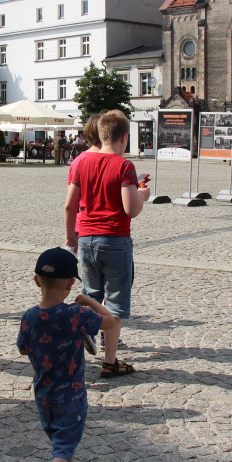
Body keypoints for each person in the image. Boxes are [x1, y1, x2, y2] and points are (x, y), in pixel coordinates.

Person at [17, 248, 109, 462]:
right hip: (72, 395)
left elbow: (22, 348)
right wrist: (92, 303)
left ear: (36, 280)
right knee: (64, 446)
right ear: (71, 284)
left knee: (60, 441)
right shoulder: (76, 314)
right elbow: (112, 322)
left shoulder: (28, 317)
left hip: (43, 394)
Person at [64, 109, 148, 378]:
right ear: (124, 137)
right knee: (115, 302)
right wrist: (143, 194)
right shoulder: (125, 166)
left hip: (86, 238)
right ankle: (110, 361)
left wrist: (71, 238)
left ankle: (79, 342)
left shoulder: (79, 162)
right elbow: (130, 208)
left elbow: (69, 205)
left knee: (91, 293)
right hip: (115, 239)